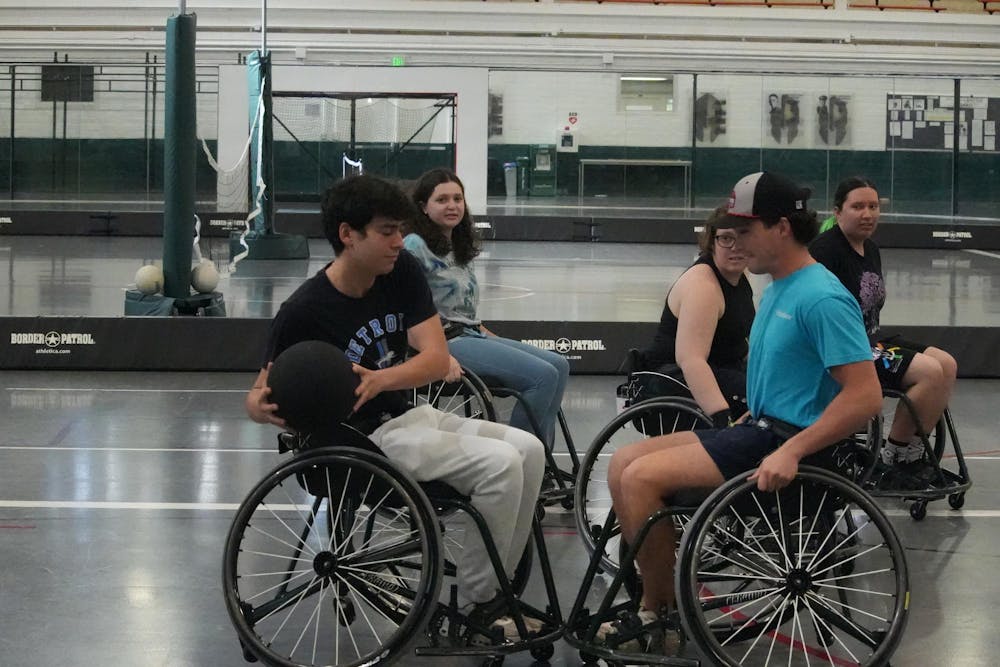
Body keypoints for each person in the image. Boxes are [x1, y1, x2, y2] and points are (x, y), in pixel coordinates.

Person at [244, 174, 546, 636]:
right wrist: (258, 407)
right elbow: (259, 393)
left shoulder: (400, 272)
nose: (398, 241)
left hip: (407, 420)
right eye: (386, 231)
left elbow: (436, 358)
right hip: (358, 445)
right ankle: (479, 604)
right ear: (348, 235)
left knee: (529, 450)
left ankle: (495, 591)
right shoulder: (304, 311)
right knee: (501, 464)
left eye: (400, 230)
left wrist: (381, 379)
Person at [601, 171, 882, 652]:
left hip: (786, 444)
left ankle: (657, 612)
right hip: (759, 428)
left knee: (640, 479)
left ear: (782, 229)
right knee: (623, 463)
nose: (733, 243)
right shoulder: (777, 287)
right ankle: (658, 600)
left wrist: (792, 451)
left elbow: (865, 396)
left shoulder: (822, 297)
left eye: (745, 232)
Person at [403, 168, 570, 448]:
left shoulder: (457, 245)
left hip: (470, 335)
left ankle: (543, 461)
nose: (453, 205)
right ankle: (523, 458)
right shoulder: (414, 246)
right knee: (542, 376)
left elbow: (466, 314)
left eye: (458, 198)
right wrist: (438, 355)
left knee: (559, 364)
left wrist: (501, 343)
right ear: (423, 207)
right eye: (442, 199)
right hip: (444, 341)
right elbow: (404, 311)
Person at [810, 176, 958, 483]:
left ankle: (913, 456)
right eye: (858, 207)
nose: (867, 214)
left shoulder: (871, 248)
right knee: (929, 372)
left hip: (869, 341)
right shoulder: (825, 251)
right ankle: (891, 458)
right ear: (837, 212)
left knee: (947, 364)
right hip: (845, 351)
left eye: (873, 206)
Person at [635, 204, 755, 427]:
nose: (736, 247)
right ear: (712, 242)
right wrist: (723, 419)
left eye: (743, 237)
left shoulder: (740, 278)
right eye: (726, 238)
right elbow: (691, 361)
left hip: (722, 371)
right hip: (673, 383)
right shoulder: (704, 286)